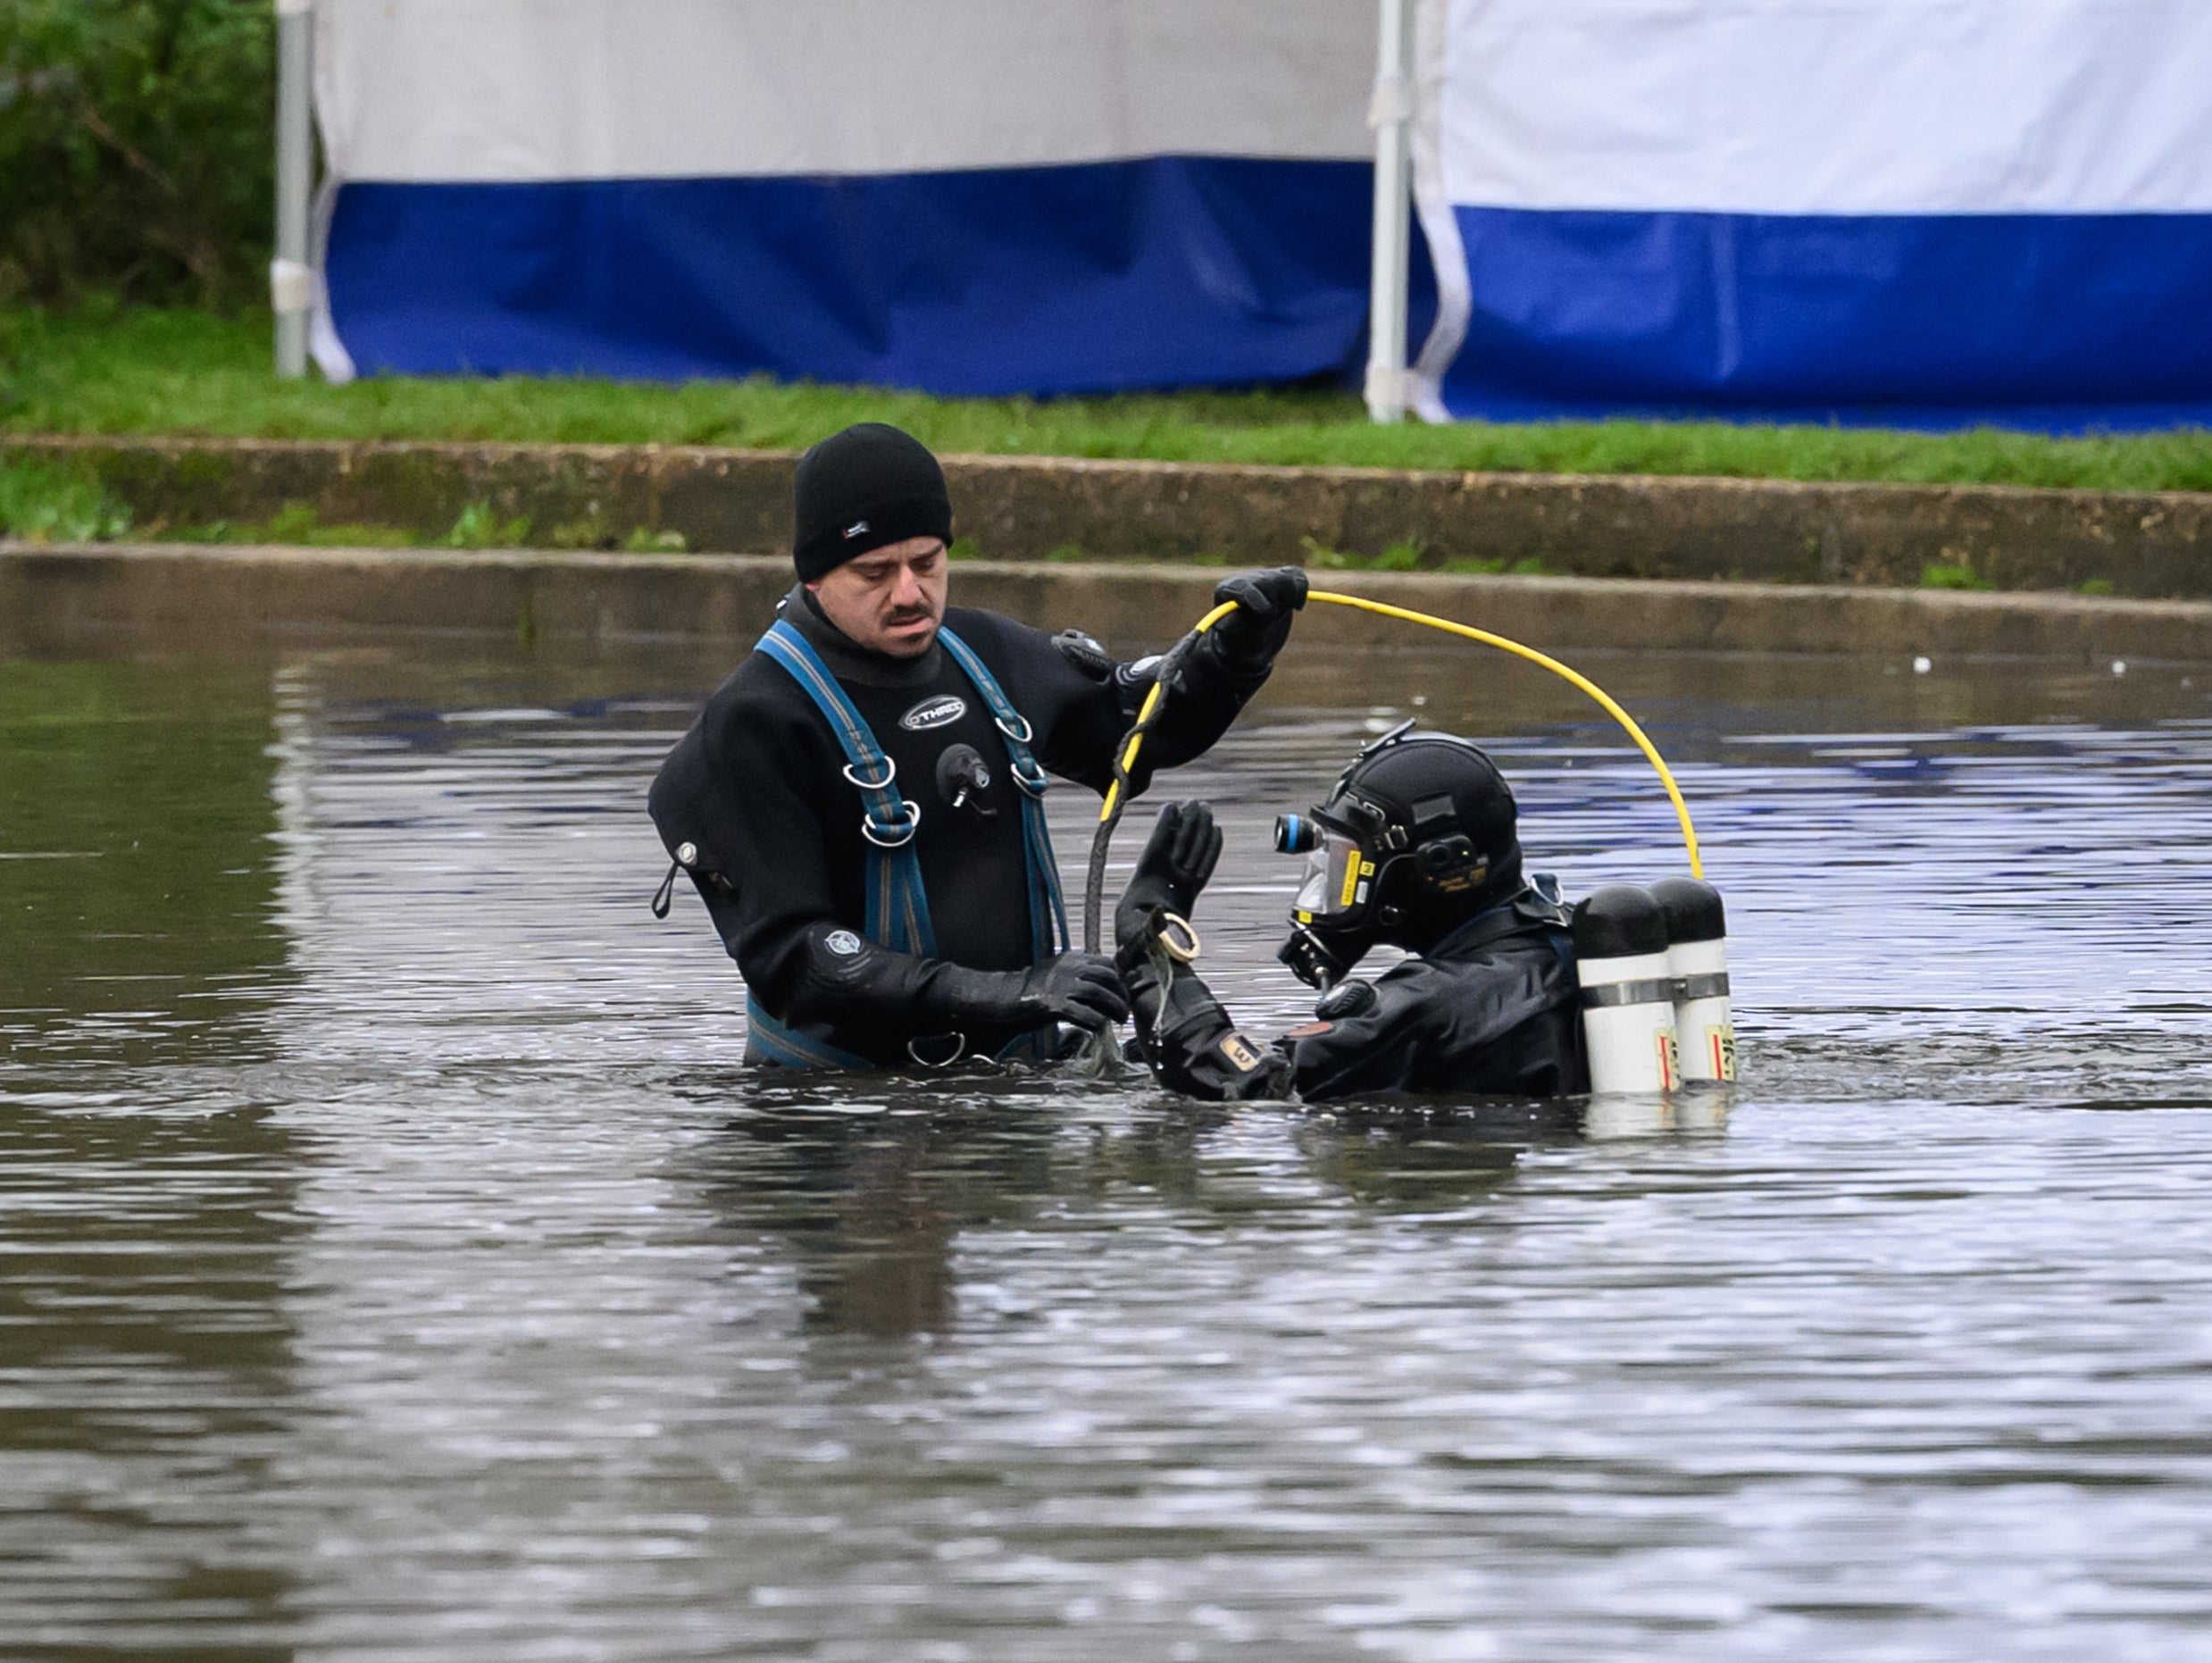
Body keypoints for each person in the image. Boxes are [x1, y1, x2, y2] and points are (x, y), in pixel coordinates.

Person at [648, 421, 1306, 1070]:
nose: (909, 593)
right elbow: (796, 961)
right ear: (815, 578)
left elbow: (1131, 745)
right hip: (842, 1116)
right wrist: (1007, 994)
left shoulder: (986, 656)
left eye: (926, 563)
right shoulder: (753, 725)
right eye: (874, 572)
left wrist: (1234, 657)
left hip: (1016, 1077)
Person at [1113, 725, 1589, 1099]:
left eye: (1349, 866)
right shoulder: (1566, 940)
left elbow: (1242, 1088)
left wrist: (1151, 944)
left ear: (1439, 867)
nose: (1335, 891)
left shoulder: (1427, 1004)